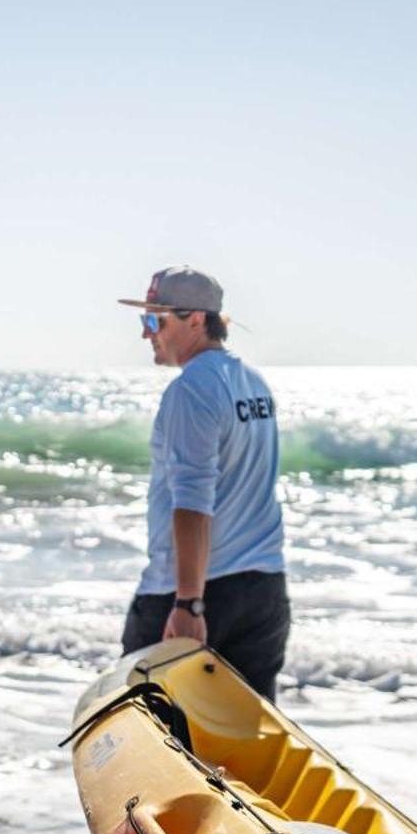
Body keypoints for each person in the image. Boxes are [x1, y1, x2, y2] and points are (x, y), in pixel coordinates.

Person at [118, 267, 290, 698]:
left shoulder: (191, 389)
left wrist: (188, 603)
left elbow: (193, 502)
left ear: (196, 320)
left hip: (198, 595)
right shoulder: (254, 383)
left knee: (147, 737)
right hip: (263, 590)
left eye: (156, 320)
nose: (146, 334)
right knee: (244, 747)